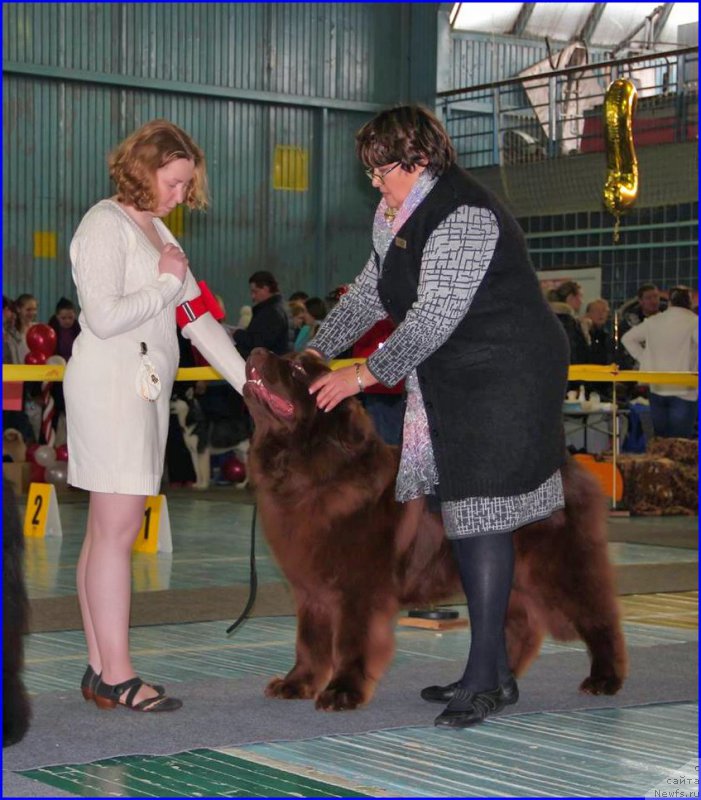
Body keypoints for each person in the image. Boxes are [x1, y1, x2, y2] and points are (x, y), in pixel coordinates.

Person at [306, 105, 569, 728]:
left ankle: (485, 678)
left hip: (507, 372)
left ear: (420, 158)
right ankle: (493, 670)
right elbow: (371, 290)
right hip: (456, 372)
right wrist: (317, 349)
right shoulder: (396, 212)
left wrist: (361, 375)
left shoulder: (465, 214)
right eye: (369, 172)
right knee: (466, 517)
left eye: (384, 170)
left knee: (479, 514)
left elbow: (431, 318)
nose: (375, 182)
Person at [63, 119, 247, 712]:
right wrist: (166, 284)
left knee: (103, 535)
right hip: (112, 387)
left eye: (185, 184)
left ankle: (100, 670)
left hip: (138, 390)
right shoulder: (103, 225)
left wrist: (250, 383)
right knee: (116, 535)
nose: (181, 195)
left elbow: (196, 318)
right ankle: (117, 673)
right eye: (173, 182)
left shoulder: (155, 230)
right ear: (143, 170)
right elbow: (104, 317)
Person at [621, 286, 698, 439]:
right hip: (684, 390)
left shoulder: (654, 321)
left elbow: (627, 339)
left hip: (656, 387)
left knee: (661, 440)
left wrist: (645, 358)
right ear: (690, 302)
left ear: (669, 302)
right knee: (680, 443)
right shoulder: (694, 322)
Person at [232, 270, 290, 358]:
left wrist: (237, 334)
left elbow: (260, 342)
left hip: (267, 365)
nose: (253, 296)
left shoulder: (272, 312)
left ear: (266, 289)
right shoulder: (276, 308)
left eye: (255, 291)